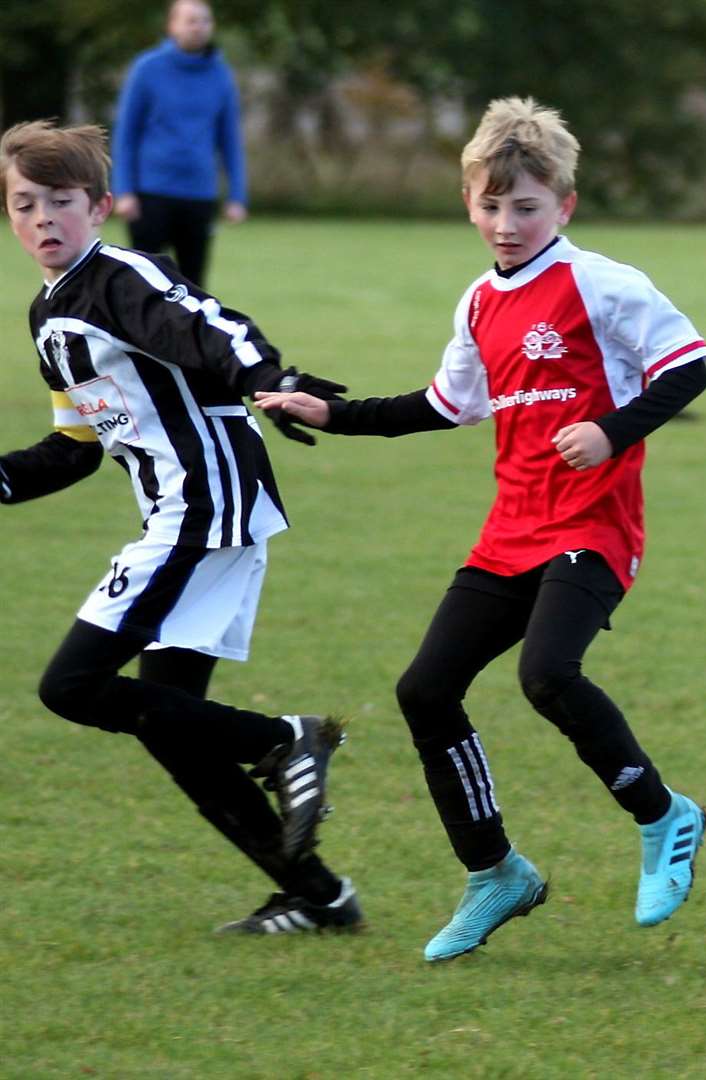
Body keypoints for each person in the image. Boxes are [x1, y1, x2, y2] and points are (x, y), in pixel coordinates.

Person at [255, 97, 706, 962]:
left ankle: (664, 815)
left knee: (548, 674)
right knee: (425, 690)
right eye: (489, 206)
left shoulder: (602, 283)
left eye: (526, 207)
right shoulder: (478, 302)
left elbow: (689, 367)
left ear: (564, 205)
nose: (505, 224)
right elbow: (442, 405)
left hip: (595, 524)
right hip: (511, 529)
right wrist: (335, 412)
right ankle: (494, 871)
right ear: (470, 201)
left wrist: (613, 430)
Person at [1, 119, 358, 935]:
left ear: (98, 206)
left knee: (72, 687)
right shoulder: (49, 313)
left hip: (206, 505)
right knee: (173, 727)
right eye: (25, 204)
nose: (44, 218)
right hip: (189, 511)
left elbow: (205, 322)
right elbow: (75, 446)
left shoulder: (120, 277)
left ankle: (286, 739)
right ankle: (319, 897)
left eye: (62, 201)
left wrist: (273, 377)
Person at [111, 0, 246, 289]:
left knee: (193, 287)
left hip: (198, 194)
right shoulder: (147, 69)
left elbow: (230, 139)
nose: (199, 28)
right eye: (191, 21)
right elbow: (126, 134)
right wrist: (123, 191)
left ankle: (190, 336)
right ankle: (141, 336)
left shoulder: (220, 75)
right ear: (172, 26)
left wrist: (237, 195)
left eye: (205, 21)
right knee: (146, 283)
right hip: (150, 193)